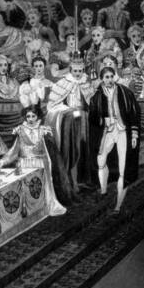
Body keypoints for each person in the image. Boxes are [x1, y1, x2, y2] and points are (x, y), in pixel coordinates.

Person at [89, 65, 140, 213]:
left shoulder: (125, 93)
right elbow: (92, 118)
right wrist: (103, 120)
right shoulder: (96, 97)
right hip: (108, 132)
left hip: (123, 131)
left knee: (123, 168)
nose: (109, 80)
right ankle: (103, 190)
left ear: (115, 77)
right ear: (102, 79)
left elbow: (134, 113)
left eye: (111, 77)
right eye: (106, 77)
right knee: (101, 160)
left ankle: (118, 205)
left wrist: (135, 134)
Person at [47, 55, 94, 194]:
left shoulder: (86, 82)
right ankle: (70, 180)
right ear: (71, 70)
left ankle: (81, 180)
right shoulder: (63, 83)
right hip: (69, 121)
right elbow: (54, 104)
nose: (78, 74)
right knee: (72, 149)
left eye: (80, 71)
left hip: (83, 119)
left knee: (84, 147)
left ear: (83, 70)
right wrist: (67, 110)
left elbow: (90, 101)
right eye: (75, 71)